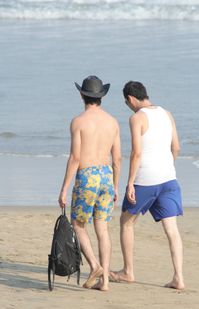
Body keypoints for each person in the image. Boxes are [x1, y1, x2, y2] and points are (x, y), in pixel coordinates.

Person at [110, 81, 185, 290]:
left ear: (131, 99)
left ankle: (128, 272)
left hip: (146, 179)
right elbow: (176, 147)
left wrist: (130, 183)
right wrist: (167, 166)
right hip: (169, 178)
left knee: (126, 221)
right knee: (172, 230)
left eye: (127, 102)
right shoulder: (166, 113)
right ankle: (179, 277)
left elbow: (136, 153)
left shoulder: (137, 118)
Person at [58, 75, 121, 291]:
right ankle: (104, 283)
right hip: (106, 174)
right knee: (102, 227)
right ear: (101, 96)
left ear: (81, 95)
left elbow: (75, 157)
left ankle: (95, 265)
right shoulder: (113, 122)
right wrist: (115, 185)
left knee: (78, 224)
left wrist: (64, 188)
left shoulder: (78, 122)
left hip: (87, 176)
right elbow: (118, 158)